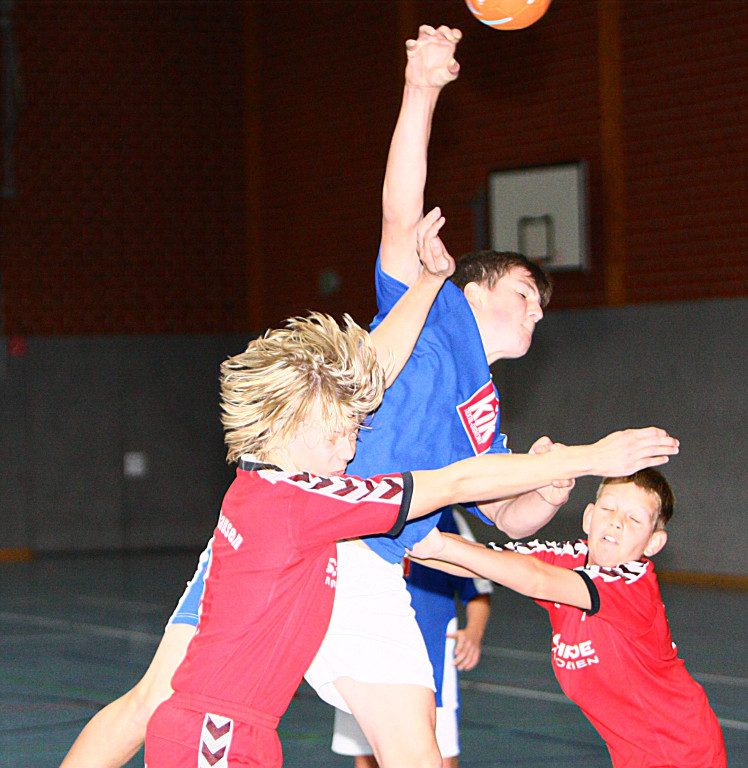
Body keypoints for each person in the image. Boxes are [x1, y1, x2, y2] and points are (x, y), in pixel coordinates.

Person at [58, 25, 680, 768]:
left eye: (544, 306)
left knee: (416, 752)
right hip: (296, 535)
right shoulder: (432, 307)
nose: (538, 311)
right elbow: (400, 209)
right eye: (525, 292)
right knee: (155, 705)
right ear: (474, 288)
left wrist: (545, 488)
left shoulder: (486, 412)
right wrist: (421, 90)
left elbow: (503, 513)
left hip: (378, 563)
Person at [408, 469, 728, 768]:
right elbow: (483, 560)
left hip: (685, 753)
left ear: (653, 542)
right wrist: (403, 539)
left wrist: (436, 544)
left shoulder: (632, 585)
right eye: (608, 509)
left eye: (634, 519)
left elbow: (536, 579)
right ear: (589, 517)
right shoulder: (570, 558)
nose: (616, 522)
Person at [331, 505, 493, 768]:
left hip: (430, 660)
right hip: (363, 655)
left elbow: (478, 585)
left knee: (439, 755)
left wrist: (474, 631)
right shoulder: (356, 508)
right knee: (367, 755)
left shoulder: (445, 517)